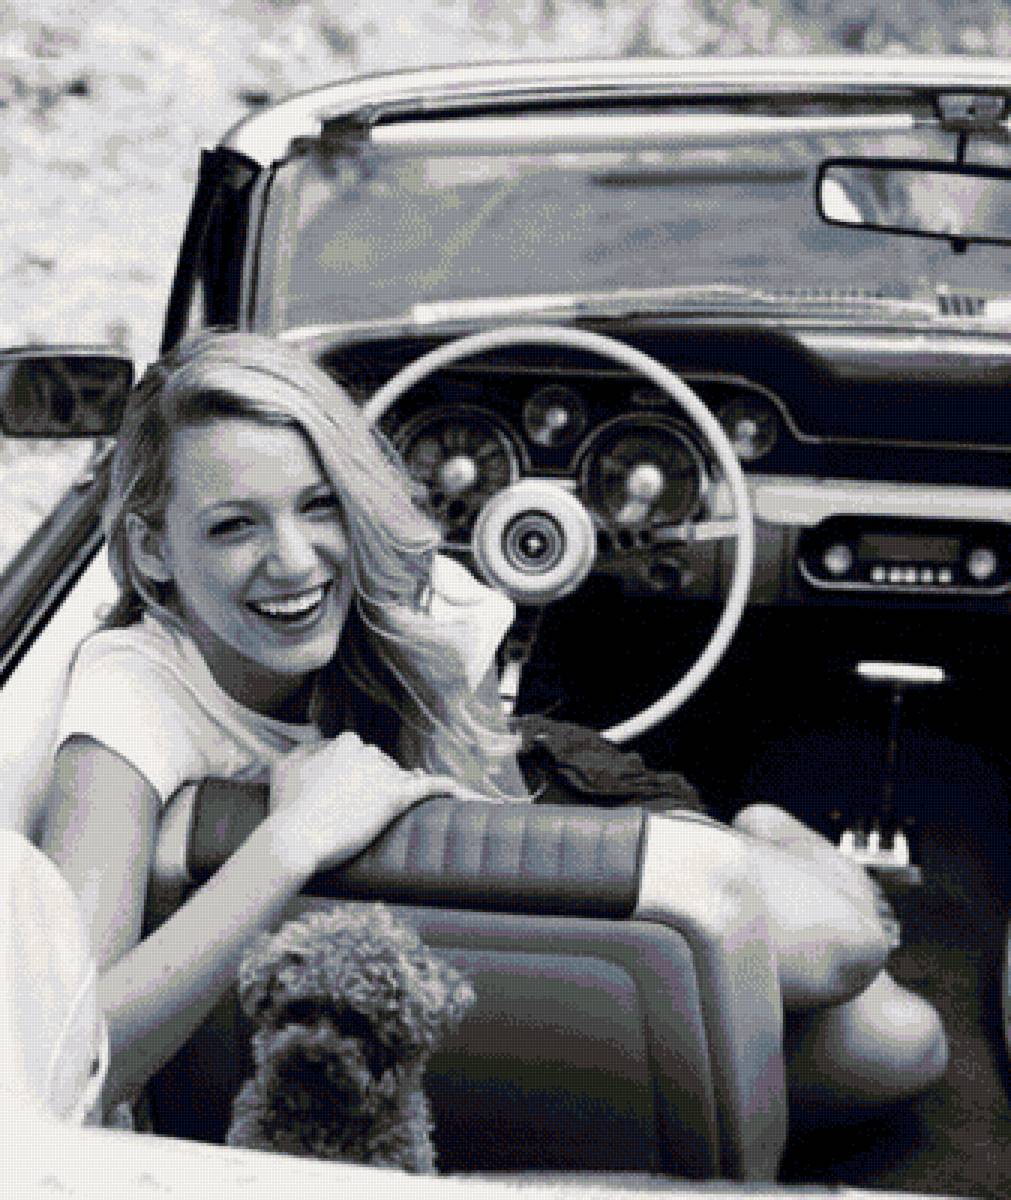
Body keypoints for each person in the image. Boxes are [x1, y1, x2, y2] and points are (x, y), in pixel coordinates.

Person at [42, 329, 945, 1127]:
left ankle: (775, 836)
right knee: (893, 1042)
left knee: (847, 955)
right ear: (154, 549)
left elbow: (509, 870)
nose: (293, 561)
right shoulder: (131, 693)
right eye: (234, 526)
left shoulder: (424, 610)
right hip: (379, 980)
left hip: (524, 797)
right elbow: (63, 1059)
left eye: (320, 506)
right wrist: (289, 844)